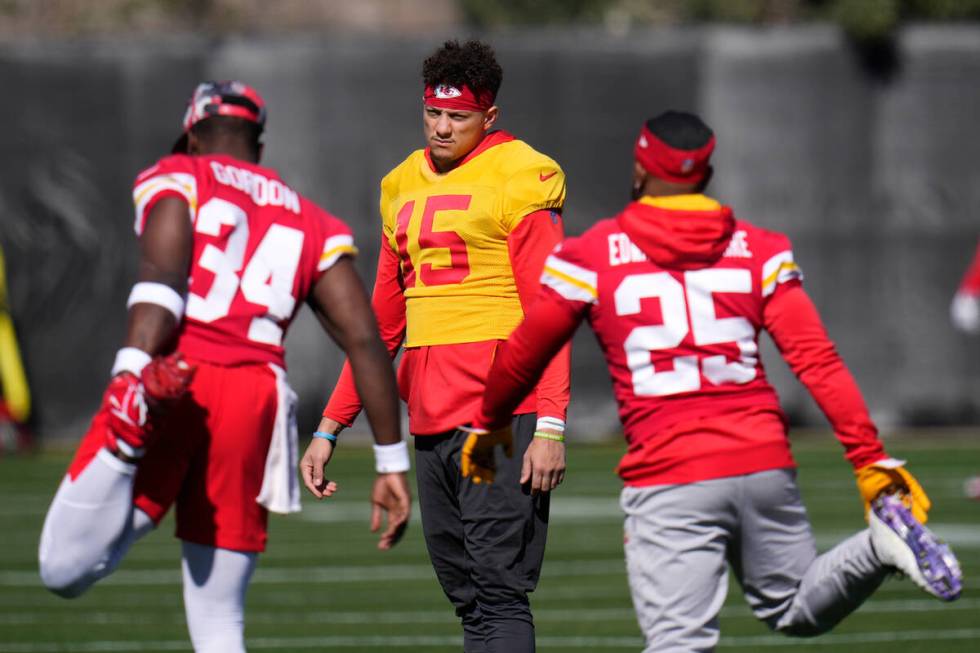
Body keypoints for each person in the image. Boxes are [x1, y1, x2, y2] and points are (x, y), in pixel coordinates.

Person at [464, 111, 963, 652]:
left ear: (639, 169)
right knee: (794, 606)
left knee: (678, 642)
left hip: (671, 469)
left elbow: (523, 352)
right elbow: (817, 361)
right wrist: (869, 460)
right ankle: (878, 548)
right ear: (705, 173)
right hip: (762, 460)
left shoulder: (590, 255)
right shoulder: (760, 248)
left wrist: (490, 423)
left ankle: (881, 548)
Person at [38, 80, 411, 653]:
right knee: (220, 623)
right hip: (256, 395)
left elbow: (162, 280)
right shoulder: (311, 219)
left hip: (175, 378)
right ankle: (128, 449)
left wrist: (132, 369)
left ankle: (124, 442)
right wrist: (390, 459)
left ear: (192, 135)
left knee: (62, 570)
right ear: (257, 146)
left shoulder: (181, 175)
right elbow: (365, 337)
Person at [301, 39, 570, 653]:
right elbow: (380, 327)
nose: (443, 128)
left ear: (489, 118)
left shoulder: (522, 173)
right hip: (429, 416)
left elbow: (551, 312)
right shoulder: (400, 183)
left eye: (459, 117)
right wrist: (330, 425)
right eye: (434, 113)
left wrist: (551, 425)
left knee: (499, 593)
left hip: (499, 419)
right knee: (468, 597)